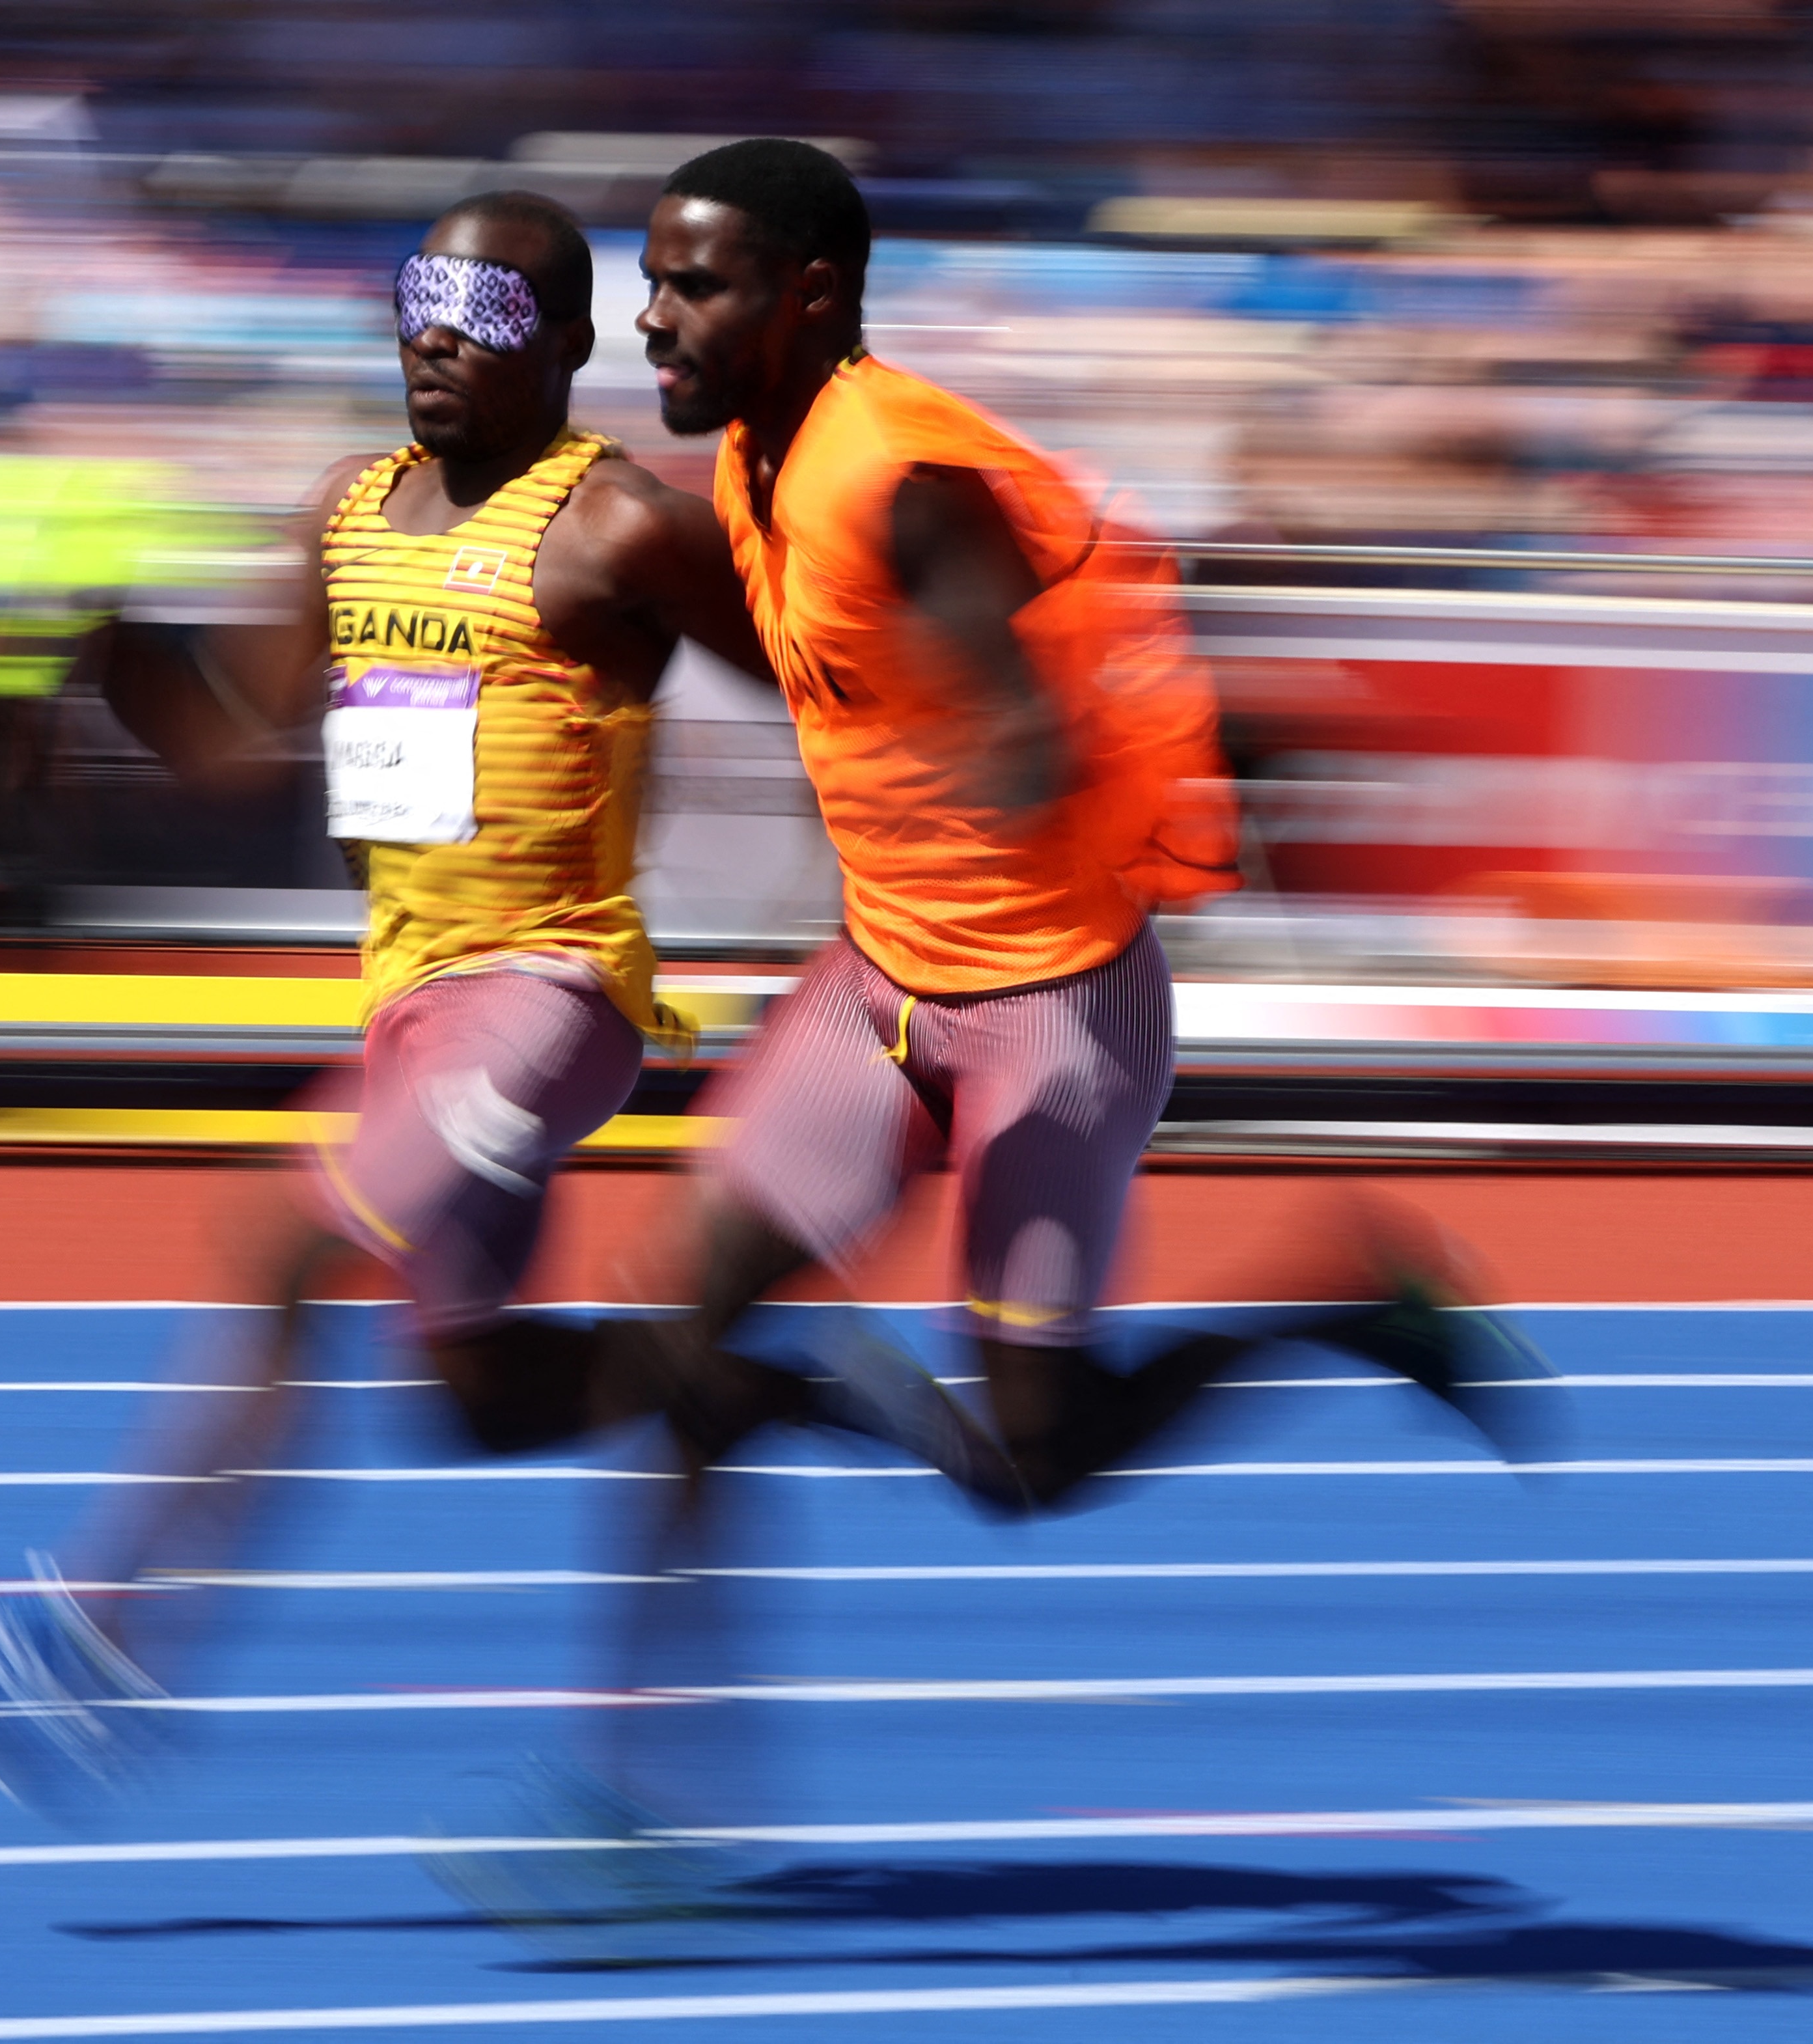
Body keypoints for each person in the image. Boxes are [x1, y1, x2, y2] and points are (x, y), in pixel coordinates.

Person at [0, 190, 881, 1818]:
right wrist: (88, 651)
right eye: (416, 298)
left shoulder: (620, 525)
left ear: (562, 344)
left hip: (546, 997)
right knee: (474, 1403)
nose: (431, 336)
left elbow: (834, 692)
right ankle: (760, 1382)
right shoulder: (347, 509)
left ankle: (101, 1633)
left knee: (281, 1241)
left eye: (477, 313)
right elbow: (226, 746)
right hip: (412, 1004)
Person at [618, 137, 1548, 1526]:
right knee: (680, 1338)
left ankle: (1342, 1296)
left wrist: (1009, 745)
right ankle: (649, 1745)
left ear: (808, 296)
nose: (650, 316)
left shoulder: (905, 482)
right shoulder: (756, 450)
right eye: (650, 282)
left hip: (1051, 1014)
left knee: (1033, 1465)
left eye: (691, 285)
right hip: (879, 982)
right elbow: (812, 650)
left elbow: (1029, 721)